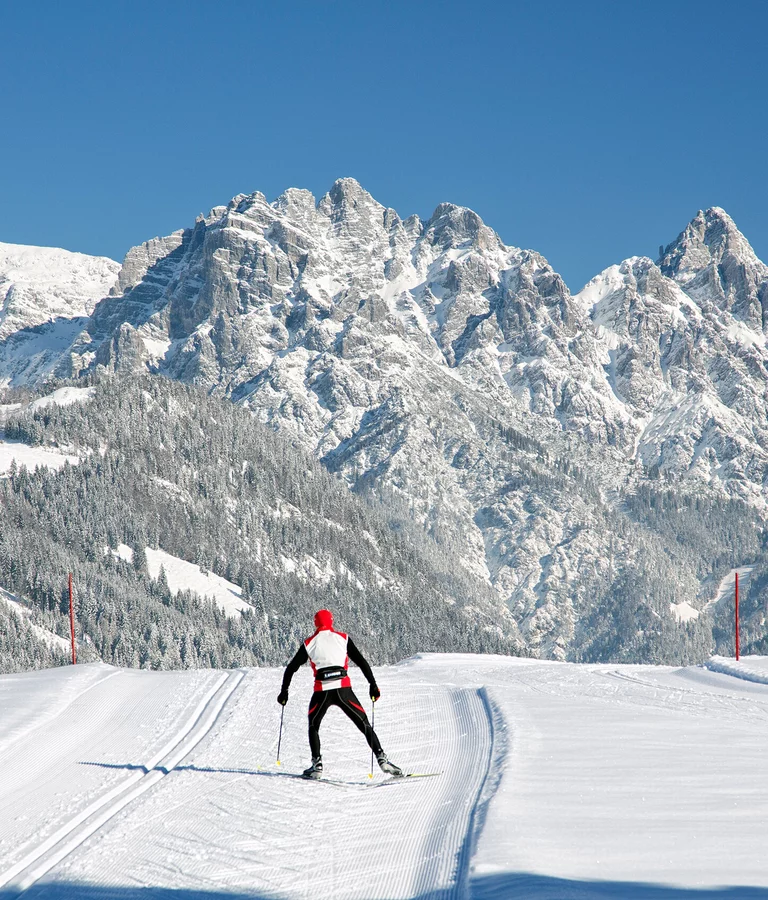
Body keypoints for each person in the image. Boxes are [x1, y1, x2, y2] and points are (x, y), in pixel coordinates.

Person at [277, 608, 403, 779]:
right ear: (332, 621)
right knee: (364, 724)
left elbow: (291, 668)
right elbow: (362, 662)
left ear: (315, 623)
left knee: (314, 725)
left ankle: (317, 764)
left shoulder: (309, 643)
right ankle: (382, 758)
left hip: (322, 691)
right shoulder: (343, 639)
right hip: (343, 689)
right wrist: (373, 685)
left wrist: (284, 692)